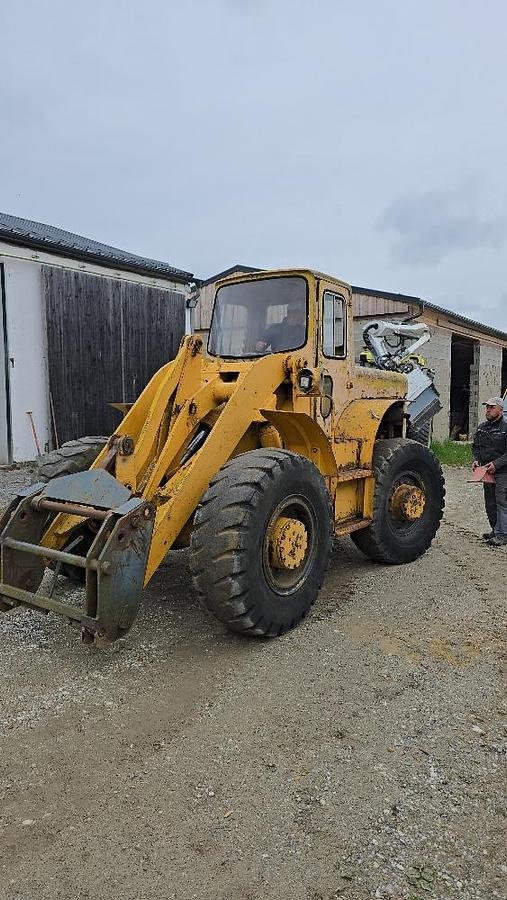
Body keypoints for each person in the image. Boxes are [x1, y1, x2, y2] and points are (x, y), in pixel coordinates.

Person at [472, 396, 507, 546]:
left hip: (503, 471)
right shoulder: (482, 427)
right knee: (490, 503)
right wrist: (475, 460)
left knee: (501, 502)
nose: (488, 409)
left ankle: (503, 534)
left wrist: (496, 464)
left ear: (501, 409)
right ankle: (495, 530)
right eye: (487, 407)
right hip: (486, 471)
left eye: (492, 407)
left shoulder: (506, 427)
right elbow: (476, 447)